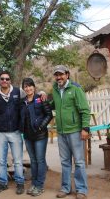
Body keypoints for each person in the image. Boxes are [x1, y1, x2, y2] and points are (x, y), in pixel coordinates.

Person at [51, 65, 91, 199]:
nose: (58, 77)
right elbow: (53, 105)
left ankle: (81, 190)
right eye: (56, 75)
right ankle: (66, 188)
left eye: (61, 74)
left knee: (79, 162)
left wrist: (85, 128)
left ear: (67, 75)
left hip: (75, 131)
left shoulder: (75, 89)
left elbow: (85, 110)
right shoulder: (55, 90)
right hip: (61, 132)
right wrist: (42, 95)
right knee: (65, 162)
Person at [0, 70, 26, 195]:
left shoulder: (18, 91)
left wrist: (41, 93)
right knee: (1, 160)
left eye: (7, 79)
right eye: (2, 79)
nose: (5, 81)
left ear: (10, 80)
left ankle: (20, 183)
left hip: (15, 131)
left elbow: (31, 95)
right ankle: (3, 183)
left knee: (18, 160)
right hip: (0, 133)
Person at [20, 78, 53, 197]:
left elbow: (49, 115)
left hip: (40, 135)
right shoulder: (22, 101)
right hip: (28, 136)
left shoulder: (40, 98)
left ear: (34, 87)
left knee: (40, 160)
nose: (28, 88)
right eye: (26, 86)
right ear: (23, 88)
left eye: (30, 86)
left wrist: (41, 126)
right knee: (33, 161)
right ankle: (34, 183)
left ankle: (40, 185)